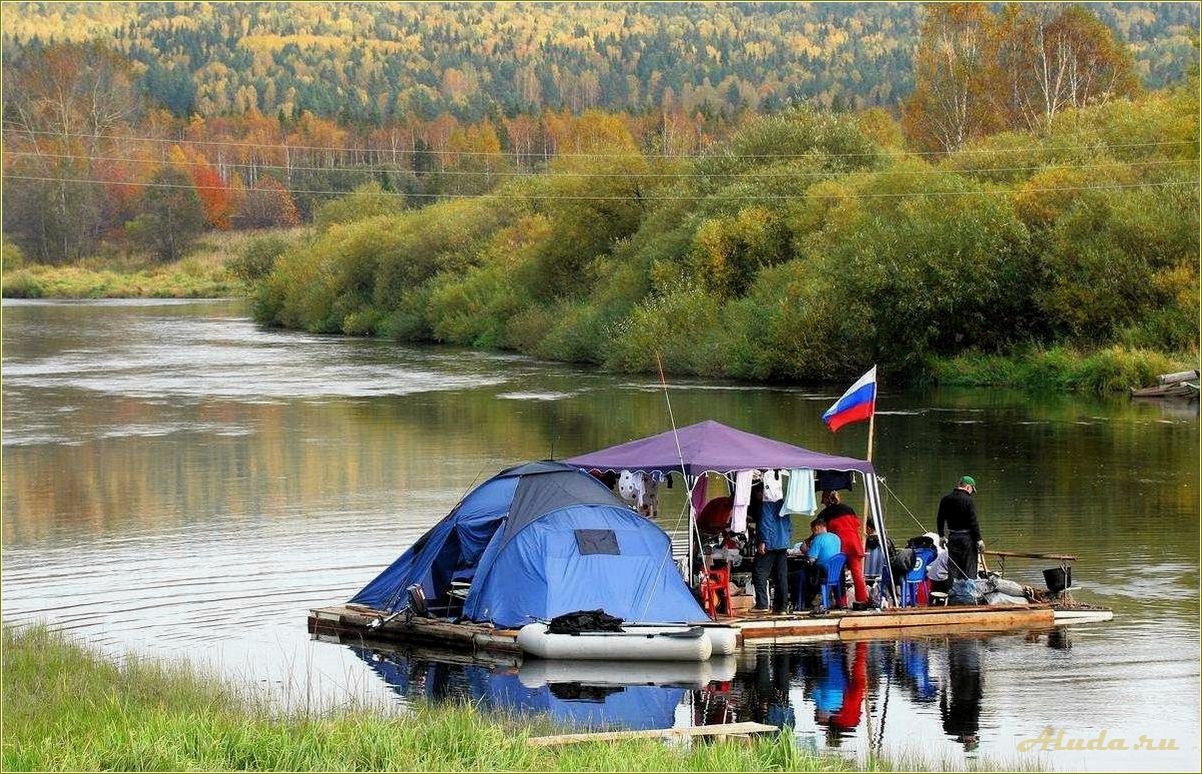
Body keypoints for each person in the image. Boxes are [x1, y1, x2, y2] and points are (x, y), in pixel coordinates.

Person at [818, 491, 869, 610]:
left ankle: (842, 602)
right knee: (857, 573)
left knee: (838, 574)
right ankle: (863, 599)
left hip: (839, 546)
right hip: (854, 543)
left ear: (826, 500)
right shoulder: (849, 508)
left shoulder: (825, 513)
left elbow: (821, 532)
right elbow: (857, 524)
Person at [937, 476, 983, 581]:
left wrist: (941, 536)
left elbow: (940, 519)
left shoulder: (946, 499)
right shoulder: (968, 500)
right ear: (968, 487)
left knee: (953, 568)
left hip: (953, 537)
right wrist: (979, 540)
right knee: (969, 569)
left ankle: (953, 592)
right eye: (972, 489)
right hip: (967, 539)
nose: (971, 493)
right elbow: (973, 522)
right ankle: (968, 594)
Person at [753, 496, 792, 613]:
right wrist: (787, 539)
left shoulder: (766, 504)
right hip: (783, 544)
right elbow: (789, 525)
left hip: (770, 543)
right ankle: (782, 607)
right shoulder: (784, 503)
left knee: (759, 573)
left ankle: (762, 604)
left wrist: (763, 541)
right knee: (781, 576)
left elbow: (765, 522)